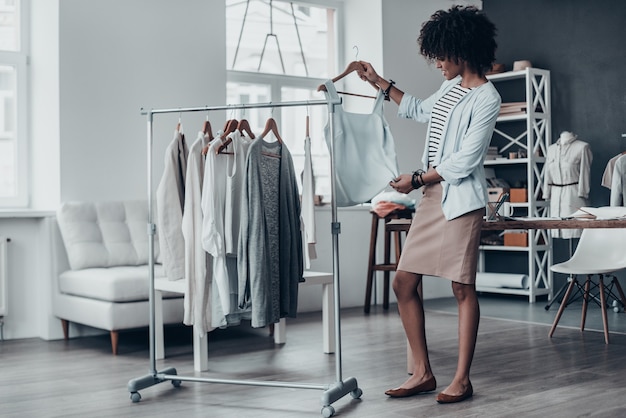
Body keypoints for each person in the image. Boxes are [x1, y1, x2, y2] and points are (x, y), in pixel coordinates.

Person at [357, 5, 500, 404]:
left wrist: (416, 178)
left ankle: (462, 379)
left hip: (461, 202)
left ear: (462, 49)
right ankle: (421, 372)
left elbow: (465, 161)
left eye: (441, 54)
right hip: (432, 199)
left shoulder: (487, 97)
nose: (437, 63)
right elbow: (420, 110)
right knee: (403, 282)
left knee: (460, 286)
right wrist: (378, 82)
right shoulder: (450, 89)